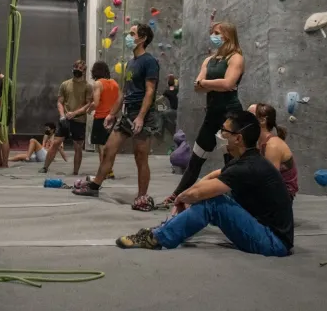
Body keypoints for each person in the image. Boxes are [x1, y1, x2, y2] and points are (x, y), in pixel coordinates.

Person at [115, 111, 293, 257]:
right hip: (266, 231)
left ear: (238, 139)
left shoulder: (248, 167)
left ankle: (157, 238)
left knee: (212, 202)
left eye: (224, 131)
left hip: (273, 242)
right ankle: (165, 230)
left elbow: (200, 194)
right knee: (209, 195)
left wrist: (181, 198)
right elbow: (211, 177)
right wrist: (186, 197)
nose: (220, 135)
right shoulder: (247, 160)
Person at [72, 24, 160, 211]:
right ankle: (95, 184)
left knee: (140, 156)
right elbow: (124, 92)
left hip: (142, 113)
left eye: (132, 34)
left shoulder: (149, 62)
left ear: (142, 38)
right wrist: (112, 114)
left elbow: (150, 91)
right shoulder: (131, 63)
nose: (129, 36)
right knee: (108, 149)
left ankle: (141, 197)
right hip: (128, 113)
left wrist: (141, 117)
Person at [162, 21, 244, 206]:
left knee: (230, 161)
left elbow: (228, 84)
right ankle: (177, 196)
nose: (213, 36)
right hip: (212, 115)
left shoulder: (236, 58)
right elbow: (197, 86)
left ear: (228, 36)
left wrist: (205, 83)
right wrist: (209, 84)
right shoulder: (209, 60)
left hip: (230, 116)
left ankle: (237, 202)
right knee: (196, 159)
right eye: (212, 32)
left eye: (217, 32)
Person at [39, 60, 93, 175]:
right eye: (76, 67)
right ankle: (45, 167)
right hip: (65, 120)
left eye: (80, 68)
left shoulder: (88, 87)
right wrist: (62, 116)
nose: (77, 70)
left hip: (79, 120)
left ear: (84, 71)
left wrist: (75, 113)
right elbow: (60, 102)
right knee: (55, 143)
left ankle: (75, 172)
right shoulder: (65, 84)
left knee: (78, 147)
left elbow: (88, 104)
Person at [249, 103, 298, 200]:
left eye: (249, 116)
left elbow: (269, 181)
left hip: (281, 198)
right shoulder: (259, 142)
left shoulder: (272, 145)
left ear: (262, 120)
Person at [88, 61, 119, 179]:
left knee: (101, 147)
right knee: (110, 146)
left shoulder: (98, 83)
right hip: (112, 118)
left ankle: (103, 171)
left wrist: (89, 109)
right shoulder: (115, 83)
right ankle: (110, 170)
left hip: (101, 118)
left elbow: (96, 103)